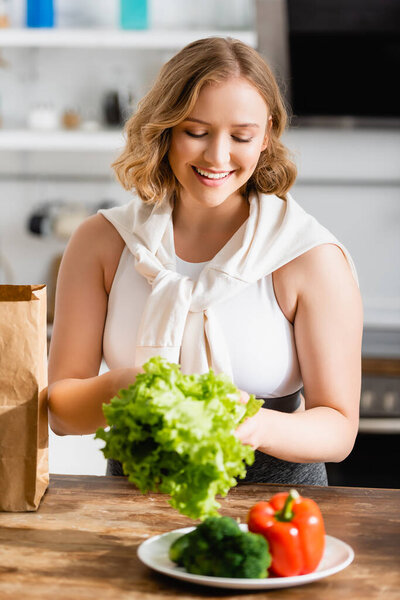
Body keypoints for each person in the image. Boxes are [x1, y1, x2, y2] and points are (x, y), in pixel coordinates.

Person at [48, 37, 363, 485]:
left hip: (274, 506)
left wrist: (249, 425)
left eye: (241, 136)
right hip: (129, 499)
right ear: (165, 129)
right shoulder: (101, 242)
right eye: (196, 132)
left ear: (267, 134)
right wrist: (122, 390)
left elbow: (338, 428)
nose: (217, 156)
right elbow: (61, 409)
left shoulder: (308, 256)